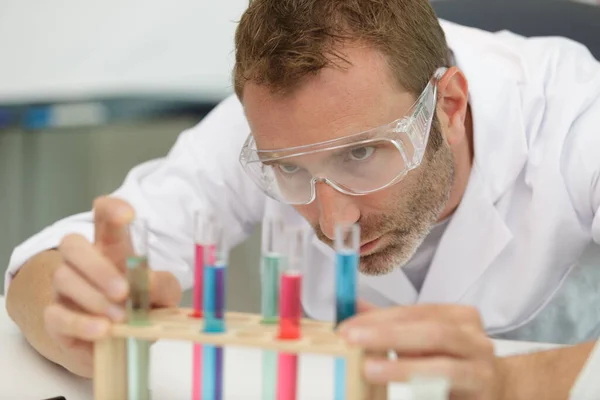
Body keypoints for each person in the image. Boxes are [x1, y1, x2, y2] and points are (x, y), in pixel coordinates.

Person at [4, 0, 600, 398]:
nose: (335, 221)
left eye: (362, 155)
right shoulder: (270, 131)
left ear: (448, 107)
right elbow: (51, 260)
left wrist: (507, 382)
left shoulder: (575, 116)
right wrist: (70, 309)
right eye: (291, 170)